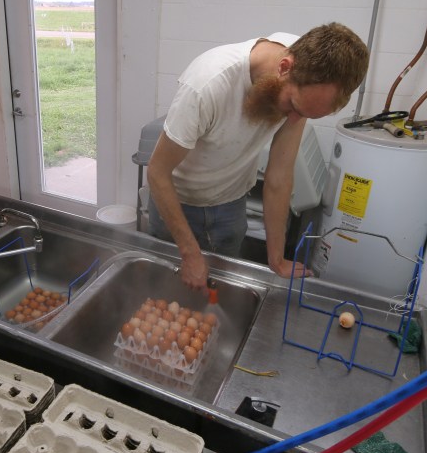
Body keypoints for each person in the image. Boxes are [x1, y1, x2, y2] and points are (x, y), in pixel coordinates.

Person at [147, 23, 369, 291]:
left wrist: (277, 259)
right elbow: (157, 173)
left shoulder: (308, 68)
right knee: (168, 293)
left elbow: (279, 176)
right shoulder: (208, 84)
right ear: (284, 68)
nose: (294, 120)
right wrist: (189, 252)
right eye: (294, 107)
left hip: (230, 204)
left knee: (217, 292)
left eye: (307, 116)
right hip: (176, 203)